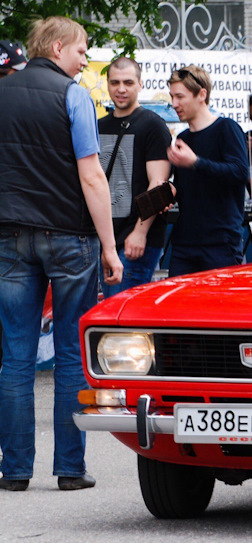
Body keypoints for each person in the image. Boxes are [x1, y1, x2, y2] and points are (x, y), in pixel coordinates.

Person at [0, 16, 123, 492]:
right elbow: (92, 176)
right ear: (56, 47)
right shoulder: (73, 95)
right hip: (69, 238)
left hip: (10, 237)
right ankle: (70, 468)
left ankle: (14, 470)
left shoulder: (3, 91)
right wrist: (110, 247)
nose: (85, 58)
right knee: (71, 350)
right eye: (81, 49)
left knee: (15, 357)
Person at [97, 57, 173, 297]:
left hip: (135, 238)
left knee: (122, 312)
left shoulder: (153, 125)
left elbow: (159, 185)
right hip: (102, 237)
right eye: (115, 82)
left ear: (140, 84)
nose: (121, 89)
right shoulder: (97, 126)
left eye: (128, 82)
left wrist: (139, 233)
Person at [166, 64, 248, 277]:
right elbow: (188, 187)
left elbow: (239, 173)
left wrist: (195, 162)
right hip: (185, 244)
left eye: (180, 97)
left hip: (221, 244)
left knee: (221, 308)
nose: (174, 104)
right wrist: (170, 191)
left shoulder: (227, 128)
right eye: (172, 96)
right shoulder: (183, 138)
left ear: (202, 94)